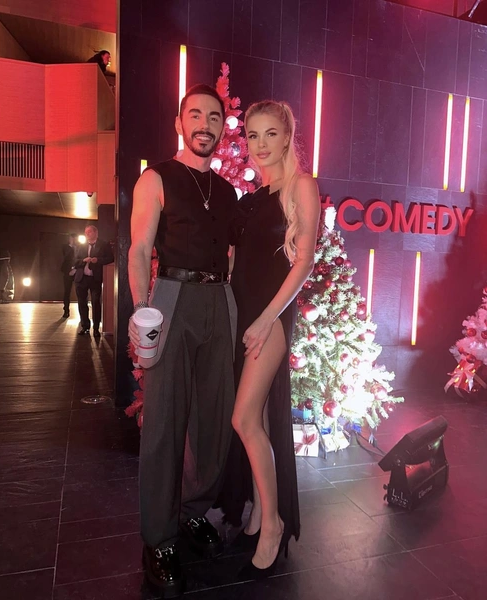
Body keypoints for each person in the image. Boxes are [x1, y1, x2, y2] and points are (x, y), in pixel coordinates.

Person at [127, 83, 238, 597]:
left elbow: (233, 256)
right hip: (172, 297)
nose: (205, 125)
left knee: (213, 420)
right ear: (179, 122)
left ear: (221, 127)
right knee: (165, 423)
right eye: (195, 114)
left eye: (213, 117)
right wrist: (142, 311)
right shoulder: (157, 177)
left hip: (221, 302)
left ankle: (193, 511)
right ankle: (158, 539)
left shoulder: (228, 192)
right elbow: (139, 248)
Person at [219, 100, 320, 579]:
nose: (260, 144)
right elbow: (237, 262)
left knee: (243, 418)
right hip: (244, 315)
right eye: (253, 135)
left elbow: (303, 261)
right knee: (255, 417)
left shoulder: (301, 186)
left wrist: (265, 319)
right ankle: (260, 514)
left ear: (287, 137)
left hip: (272, 317)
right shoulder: (252, 198)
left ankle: (274, 525)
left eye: (270, 134)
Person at [74, 225, 113, 336]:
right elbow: (74, 261)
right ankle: (85, 326)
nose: (87, 234)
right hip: (81, 278)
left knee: (96, 302)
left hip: (95, 278)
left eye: (90, 232)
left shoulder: (104, 244)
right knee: (82, 303)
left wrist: (98, 260)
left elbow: (110, 258)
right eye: (86, 232)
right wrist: (83, 260)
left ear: (96, 232)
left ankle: (96, 328)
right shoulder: (80, 245)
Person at [61, 233, 78, 319]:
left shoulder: (79, 248)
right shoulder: (65, 247)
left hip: (77, 271)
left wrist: (76, 269)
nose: (73, 240)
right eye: (72, 238)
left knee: (81, 292)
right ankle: (66, 310)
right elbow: (65, 258)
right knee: (67, 291)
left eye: (75, 238)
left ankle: (82, 314)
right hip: (67, 272)